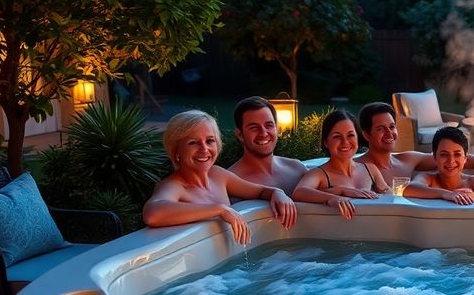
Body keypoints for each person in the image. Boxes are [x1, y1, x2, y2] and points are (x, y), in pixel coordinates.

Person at [143, 110, 297, 245]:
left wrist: (277, 193)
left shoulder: (217, 175)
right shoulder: (174, 186)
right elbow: (153, 214)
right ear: (176, 151)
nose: (204, 149)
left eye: (210, 141)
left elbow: (260, 191)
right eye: (193, 143)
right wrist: (220, 209)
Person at [355, 102, 474, 185]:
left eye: (392, 127)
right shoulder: (357, 167)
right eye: (380, 129)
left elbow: (447, 159)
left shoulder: (407, 160)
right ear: (366, 134)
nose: (389, 134)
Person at [292, 110, 388, 219]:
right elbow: (299, 193)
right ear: (326, 142)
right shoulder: (319, 174)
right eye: (337, 136)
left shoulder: (370, 169)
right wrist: (339, 192)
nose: (345, 142)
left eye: (350, 135)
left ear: (357, 137)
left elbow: (390, 196)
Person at [227, 96, 308, 194]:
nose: (263, 133)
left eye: (268, 125)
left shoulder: (297, 169)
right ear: (240, 135)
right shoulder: (230, 183)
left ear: (277, 129)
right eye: (254, 128)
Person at [403, 126, 474, 205]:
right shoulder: (428, 179)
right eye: (444, 154)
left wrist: (469, 195)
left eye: (457, 154)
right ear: (435, 157)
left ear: (465, 158)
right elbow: (409, 189)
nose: (451, 161)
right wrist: (447, 194)